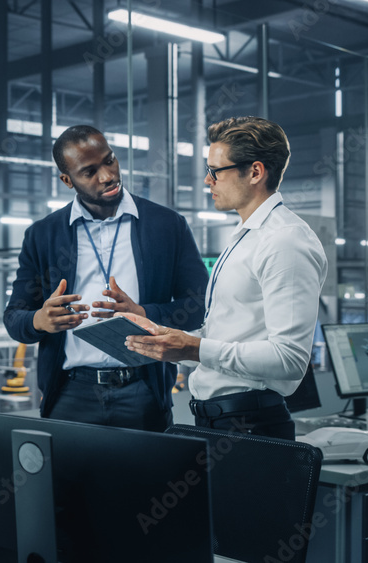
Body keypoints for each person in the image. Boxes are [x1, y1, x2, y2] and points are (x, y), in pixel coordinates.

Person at [122, 116, 327, 440]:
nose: (207, 180)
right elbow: (229, 331)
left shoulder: (284, 241)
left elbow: (289, 359)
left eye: (216, 171)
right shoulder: (246, 236)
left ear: (255, 172)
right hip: (220, 421)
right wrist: (170, 339)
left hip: (250, 423)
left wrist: (195, 349)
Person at [3, 125, 209, 432]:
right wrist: (39, 321)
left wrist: (146, 313)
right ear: (67, 180)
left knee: (145, 481)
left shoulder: (166, 226)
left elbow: (200, 304)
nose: (107, 176)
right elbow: (14, 318)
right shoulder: (43, 235)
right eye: (89, 172)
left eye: (109, 161)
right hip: (70, 394)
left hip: (144, 391)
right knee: (72, 481)